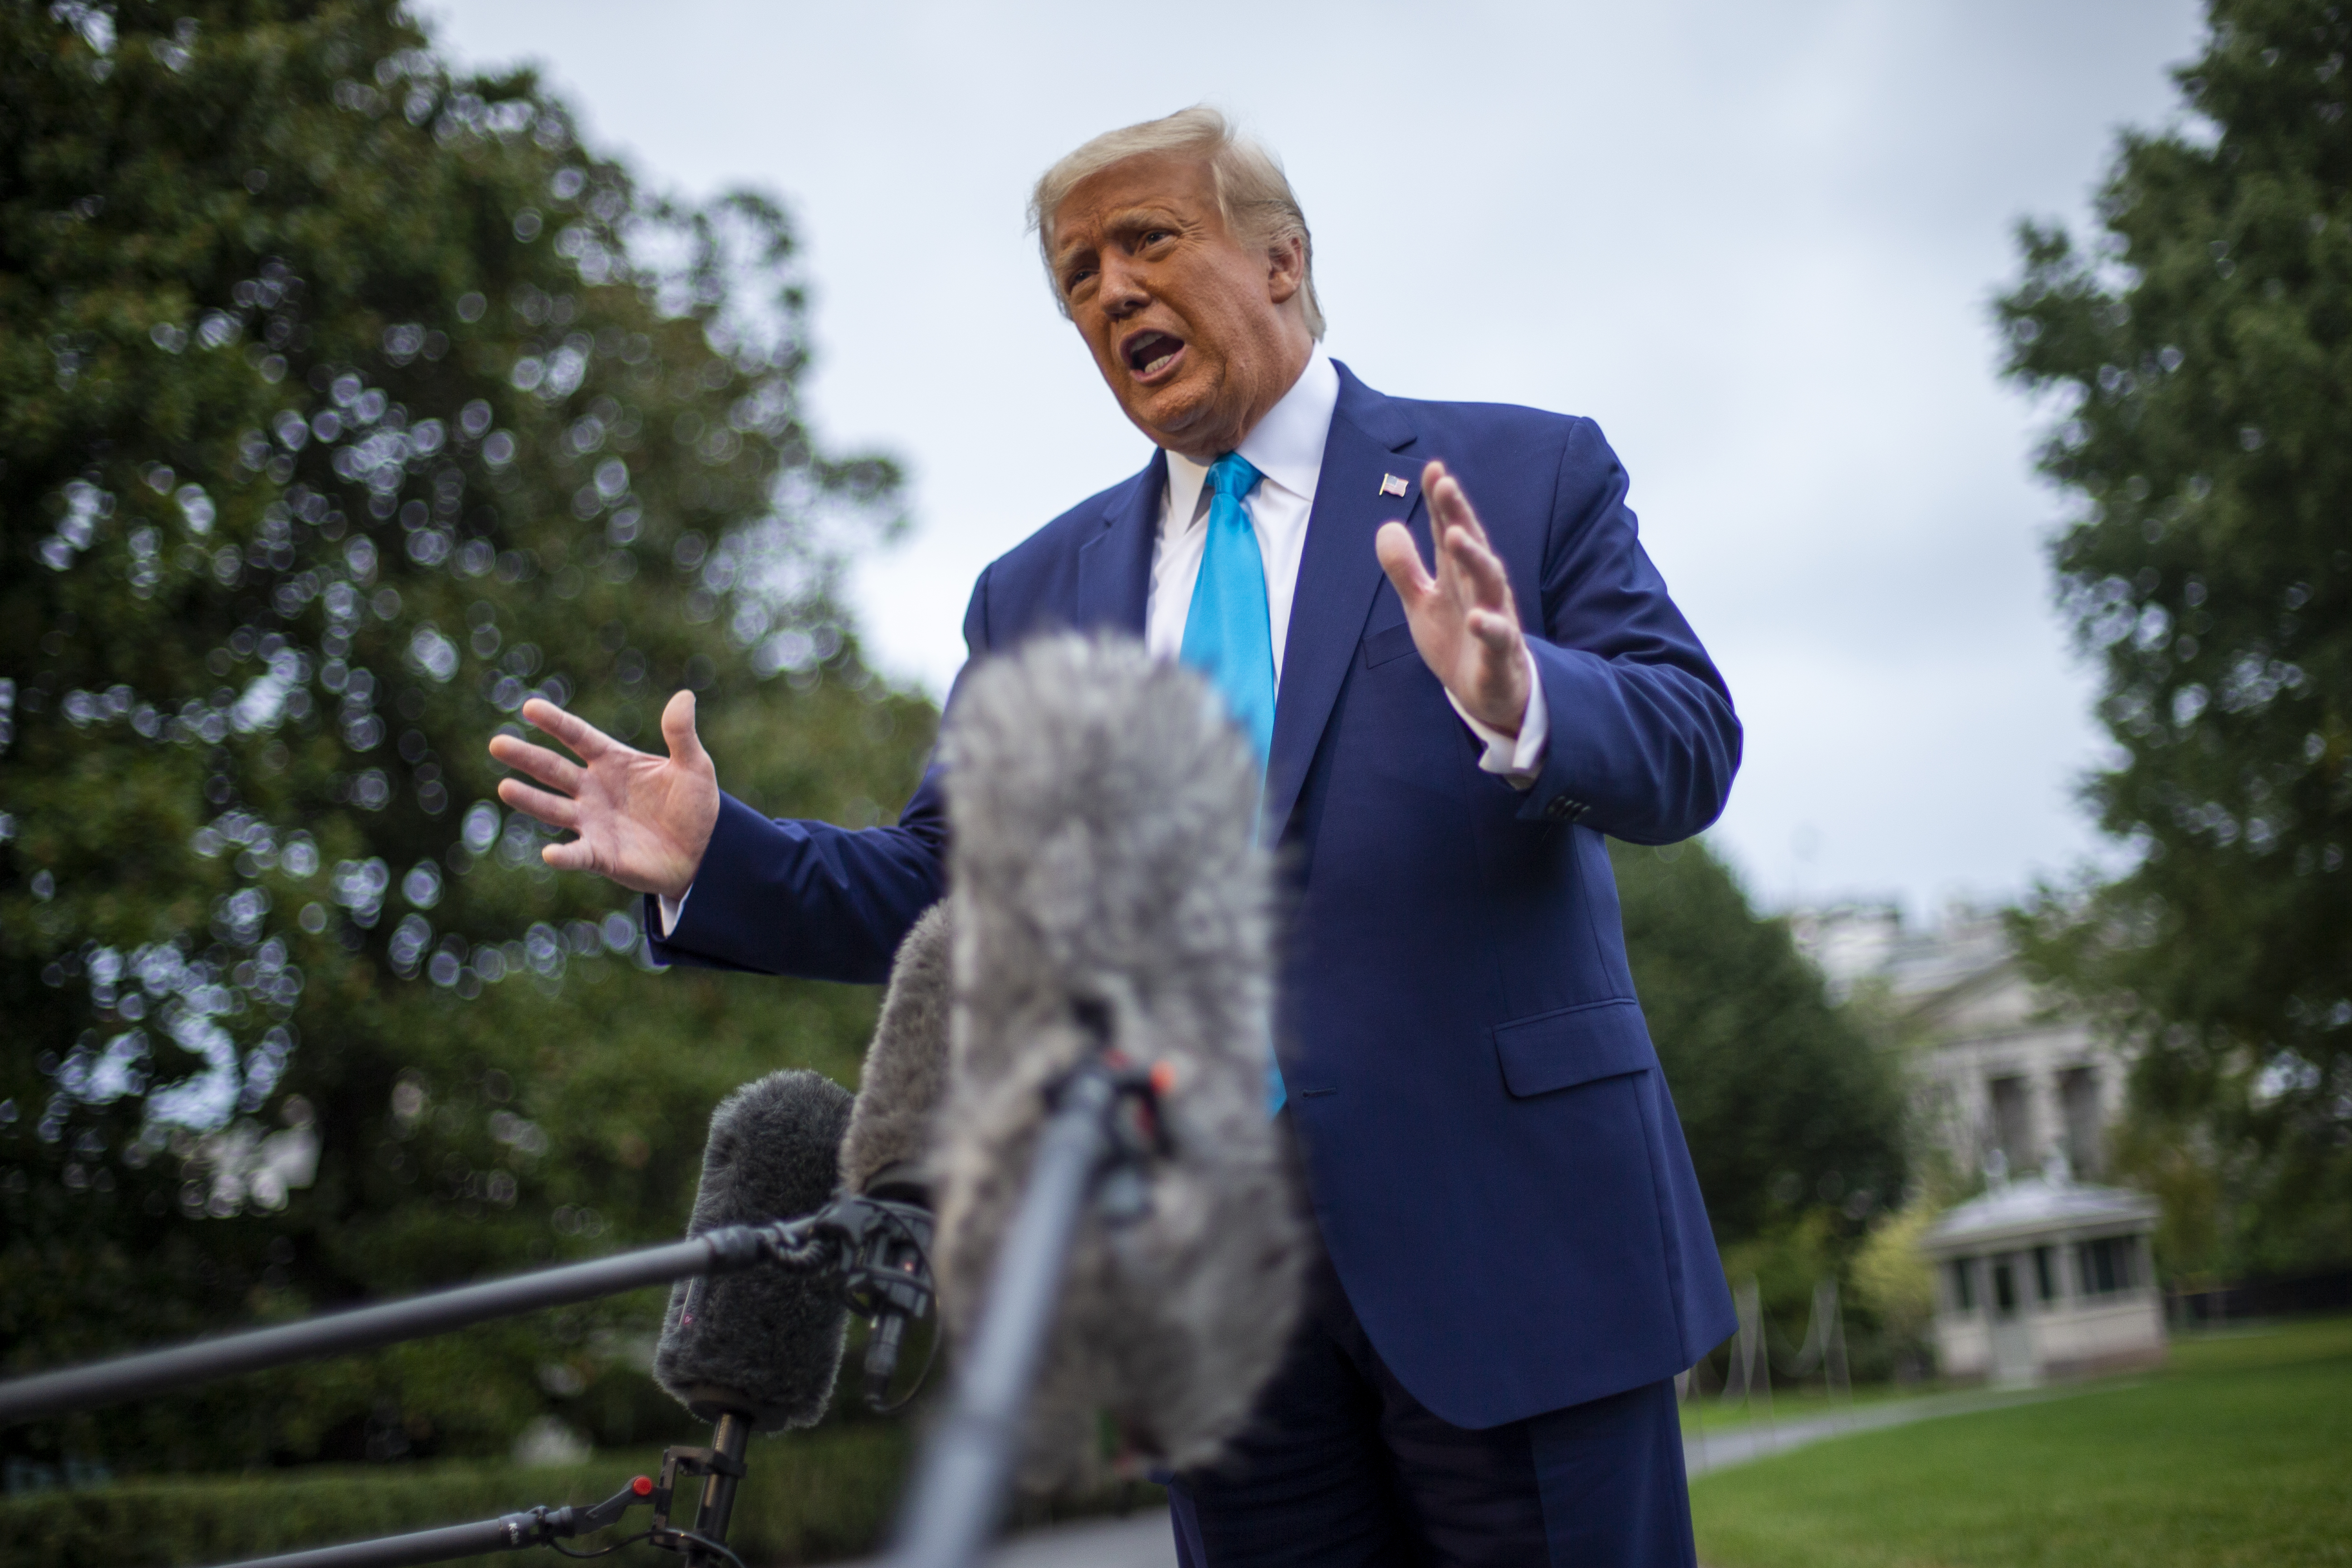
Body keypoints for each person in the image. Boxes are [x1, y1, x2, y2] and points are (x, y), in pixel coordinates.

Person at [491, 106, 1740, 1567]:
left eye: (1151, 240)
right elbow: (955, 886)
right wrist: (723, 858)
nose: (1113, 292)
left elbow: (1688, 739)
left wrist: (1526, 696)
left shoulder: (1519, 478)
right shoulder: (1038, 594)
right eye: (1080, 275)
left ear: (1283, 259)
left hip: (1509, 1250)